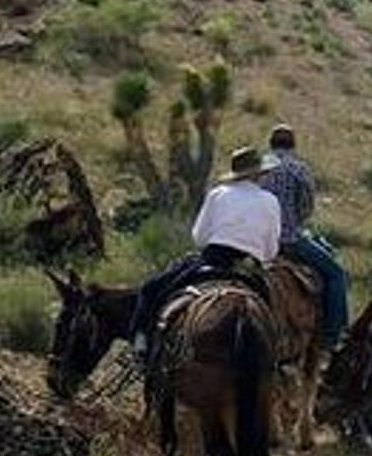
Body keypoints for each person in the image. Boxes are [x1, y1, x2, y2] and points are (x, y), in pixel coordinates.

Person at [130, 146, 281, 357]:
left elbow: (199, 237)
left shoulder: (218, 194)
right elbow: (271, 251)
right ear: (259, 174)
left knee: (151, 288)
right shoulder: (271, 201)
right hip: (249, 266)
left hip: (214, 257)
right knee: (274, 315)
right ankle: (276, 357)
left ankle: (142, 343)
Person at [258, 124, 349, 350]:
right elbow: (306, 207)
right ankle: (334, 334)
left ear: (271, 144)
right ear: (293, 145)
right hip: (289, 241)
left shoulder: (256, 169)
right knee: (336, 274)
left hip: (257, 240)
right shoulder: (298, 169)